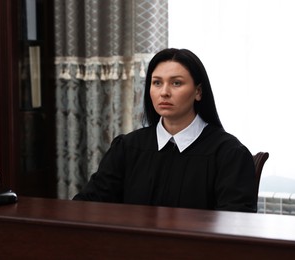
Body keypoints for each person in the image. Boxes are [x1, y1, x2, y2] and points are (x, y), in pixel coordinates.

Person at [73, 48, 257, 213]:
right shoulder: (127, 148)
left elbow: (236, 228)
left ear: (198, 92)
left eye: (176, 83)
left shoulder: (229, 154)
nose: (164, 92)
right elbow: (87, 205)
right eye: (157, 83)